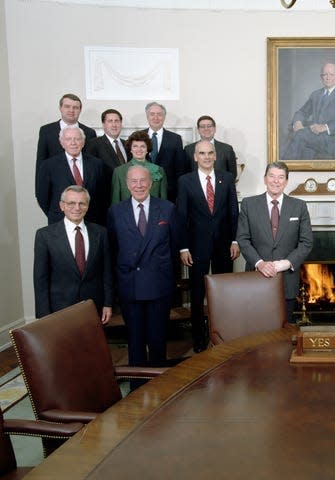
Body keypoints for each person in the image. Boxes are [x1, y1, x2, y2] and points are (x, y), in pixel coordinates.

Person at [107, 165, 180, 370]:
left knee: (158, 338)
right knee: (135, 339)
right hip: (130, 284)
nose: (139, 185)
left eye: (143, 180)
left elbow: (174, 247)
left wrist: (168, 277)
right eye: (134, 181)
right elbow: (113, 249)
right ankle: (136, 386)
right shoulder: (115, 211)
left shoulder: (167, 208)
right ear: (127, 184)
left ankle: (158, 383)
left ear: (150, 182)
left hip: (159, 284)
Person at [178, 140, 240, 352]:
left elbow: (233, 211)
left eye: (210, 153)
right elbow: (182, 216)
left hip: (224, 246)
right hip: (196, 247)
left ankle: (224, 336)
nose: (206, 156)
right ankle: (198, 339)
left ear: (215, 156)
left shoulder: (227, 178)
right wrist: (183, 247)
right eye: (201, 153)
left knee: (224, 293)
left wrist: (235, 240)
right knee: (197, 295)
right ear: (195, 157)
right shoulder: (185, 181)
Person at [236, 161, 313, 321]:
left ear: (286, 181)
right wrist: (260, 263)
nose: (276, 181)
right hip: (256, 277)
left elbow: (306, 243)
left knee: (285, 329)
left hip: (287, 279)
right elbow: (243, 239)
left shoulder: (299, 206)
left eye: (281, 177)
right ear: (265, 179)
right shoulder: (249, 204)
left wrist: (284, 264)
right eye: (271, 176)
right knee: (257, 329)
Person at [33, 185, 112, 323]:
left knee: (91, 345)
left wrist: (108, 303)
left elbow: (107, 272)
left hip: (93, 306)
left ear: (87, 206)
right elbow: (40, 279)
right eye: (71, 203)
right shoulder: (45, 235)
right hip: (59, 309)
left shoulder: (100, 233)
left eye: (82, 203)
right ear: (62, 206)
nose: (77, 208)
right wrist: (43, 314)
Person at [282, 63, 335, 160]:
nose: (328, 78)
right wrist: (297, 122)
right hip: (314, 136)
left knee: (299, 136)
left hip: (334, 139)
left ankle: (284, 169)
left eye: (331, 74)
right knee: (303, 145)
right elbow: (302, 112)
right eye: (325, 74)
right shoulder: (316, 95)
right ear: (321, 77)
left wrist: (325, 127)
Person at [36, 127, 106, 224]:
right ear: (62, 143)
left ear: (83, 142)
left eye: (77, 139)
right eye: (68, 139)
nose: (73, 143)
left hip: (92, 222)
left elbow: (102, 196)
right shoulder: (48, 166)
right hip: (59, 222)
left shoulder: (96, 164)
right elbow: (42, 197)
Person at [35, 93, 97, 185]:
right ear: (60, 108)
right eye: (67, 106)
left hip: (83, 188)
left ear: (80, 110)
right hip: (55, 187)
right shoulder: (46, 131)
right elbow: (41, 162)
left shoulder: (89, 133)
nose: (71, 110)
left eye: (75, 107)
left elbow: (93, 164)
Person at [86, 109, 129, 216]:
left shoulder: (128, 145)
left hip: (127, 199)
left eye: (117, 121)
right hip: (104, 202)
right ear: (103, 125)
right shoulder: (93, 145)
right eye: (110, 121)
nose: (114, 124)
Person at [139, 102, 185, 202]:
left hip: (168, 193)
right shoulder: (138, 136)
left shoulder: (175, 139)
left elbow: (180, 169)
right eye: (152, 114)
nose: (156, 117)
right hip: (142, 190)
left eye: (159, 114)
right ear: (147, 116)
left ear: (164, 117)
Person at [111, 131, 168, 204]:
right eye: (135, 146)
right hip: (127, 214)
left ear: (147, 149)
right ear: (130, 149)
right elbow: (115, 202)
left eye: (143, 146)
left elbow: (164, 201)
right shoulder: (119, 172)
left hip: (154, 213)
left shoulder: (159, 170)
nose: (139, 150)